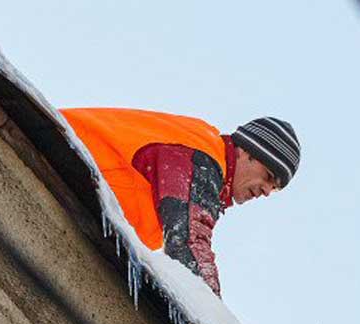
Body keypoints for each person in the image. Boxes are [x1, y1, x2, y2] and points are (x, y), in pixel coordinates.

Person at [61, 109, 300, 296]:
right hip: (51, 157)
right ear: (247, 152)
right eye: (269, 176)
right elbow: (188, 244)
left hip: (67, 192)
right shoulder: (202, 155)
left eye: (275, 188)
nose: (267, 191)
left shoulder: (202, 160)